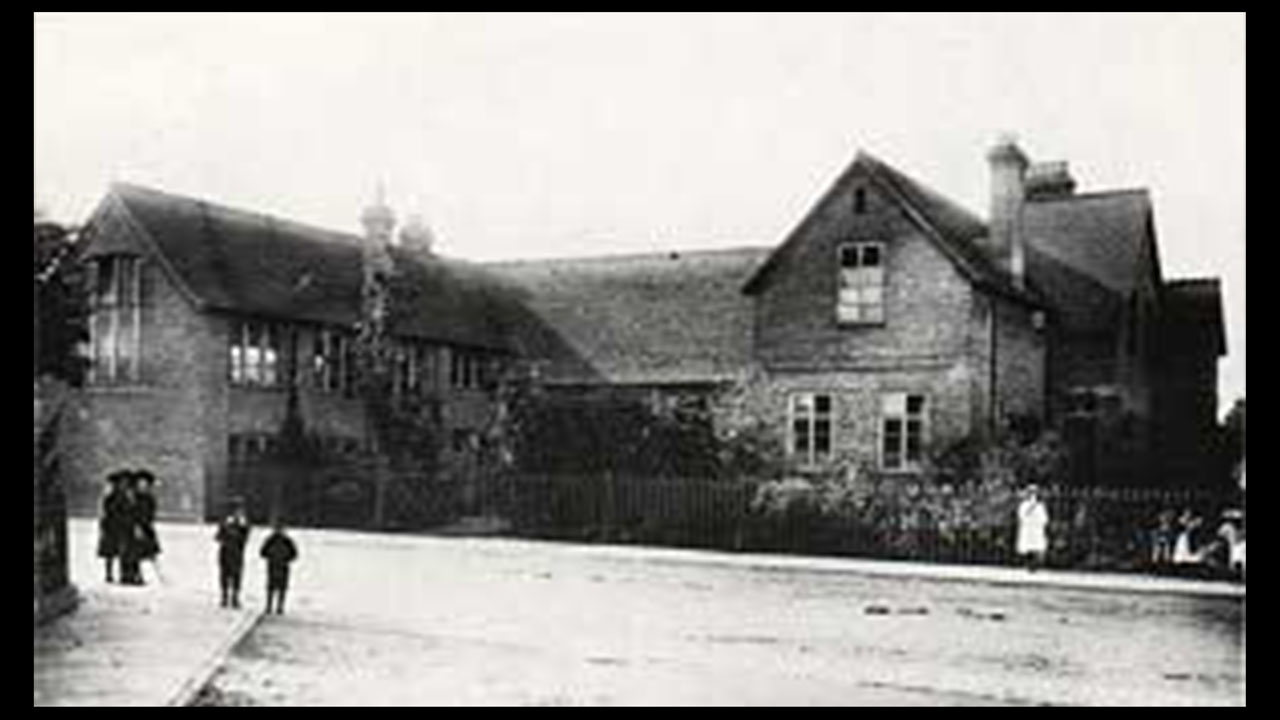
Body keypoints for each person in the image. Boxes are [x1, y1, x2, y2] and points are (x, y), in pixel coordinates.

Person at [216, 500, 252, 609]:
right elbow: (218, 537)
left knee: (236, 577)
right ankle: (225, 597)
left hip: (237, 554)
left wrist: (242, 527)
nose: (238, 513)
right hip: (226, 553)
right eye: (237, 510)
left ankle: (235, 598)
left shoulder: (243, 524)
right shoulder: (226, 522)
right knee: (225, 576)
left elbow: (245, 537)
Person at [96, 471, 131, 584]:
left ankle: (122, 574)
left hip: (121, 527)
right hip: (112, 526)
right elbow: (106, 512)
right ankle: (110, 574)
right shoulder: (110, 497)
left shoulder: (126, 497)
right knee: (110, 552)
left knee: (122, 551)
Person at [260, 519, 299, 615]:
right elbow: (262, 552)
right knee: (271, 587)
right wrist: (271, 556)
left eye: (280, 528)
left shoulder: (287, 541)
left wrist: (286, 558)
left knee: (282, 588)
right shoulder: (270, 540)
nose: (279, 530)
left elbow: (294, 554)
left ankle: (279, 607)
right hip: (273, 565)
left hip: (282, 566)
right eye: (277, 528)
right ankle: (269, 606)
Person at [117, 472, 146, 586]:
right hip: (123, 529)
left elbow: (139, 512)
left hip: (133, 529)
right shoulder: (119, 498)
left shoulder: (137, 499)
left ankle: (135, 575)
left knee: (134, 553)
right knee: (124, 553)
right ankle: (125, 575)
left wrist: (138, 525)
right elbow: (116, 513)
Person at [1016, 484, 1050, 571]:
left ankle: (1035, 565)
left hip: (1036, 530)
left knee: (1037, 547)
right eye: (1031, 493)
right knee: (1027, 548)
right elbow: (1022, 516)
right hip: (1028, 529)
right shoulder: (1024, 505)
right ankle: (1028, 564)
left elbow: (1044, 519)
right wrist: (1031, 507)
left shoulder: (1040, 506)